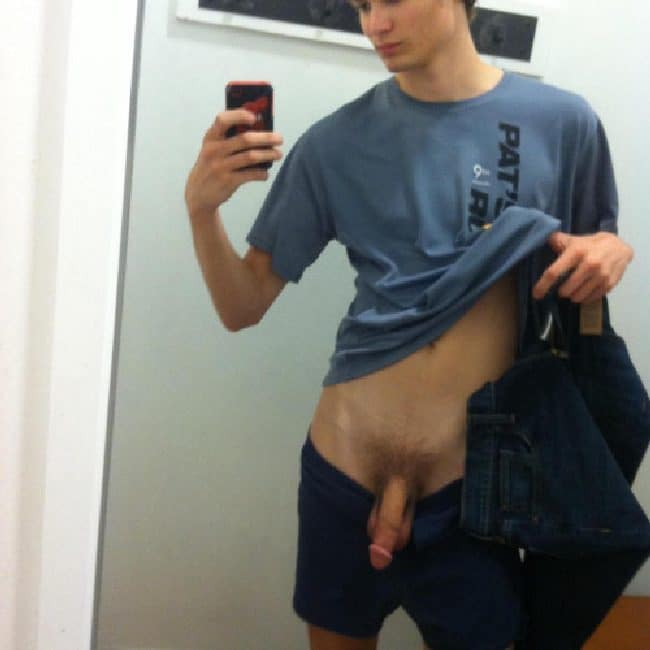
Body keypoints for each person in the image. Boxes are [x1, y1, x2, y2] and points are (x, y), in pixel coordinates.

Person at [184, 1, 635, 648]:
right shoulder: (335, 143)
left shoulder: (564, 123)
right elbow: (242, 305)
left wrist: (613, 250)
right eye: (363, 5)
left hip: (473, 488)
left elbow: (593, 249)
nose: (374, 24)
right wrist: (201, 212)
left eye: (390, 0)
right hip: (342, 471)